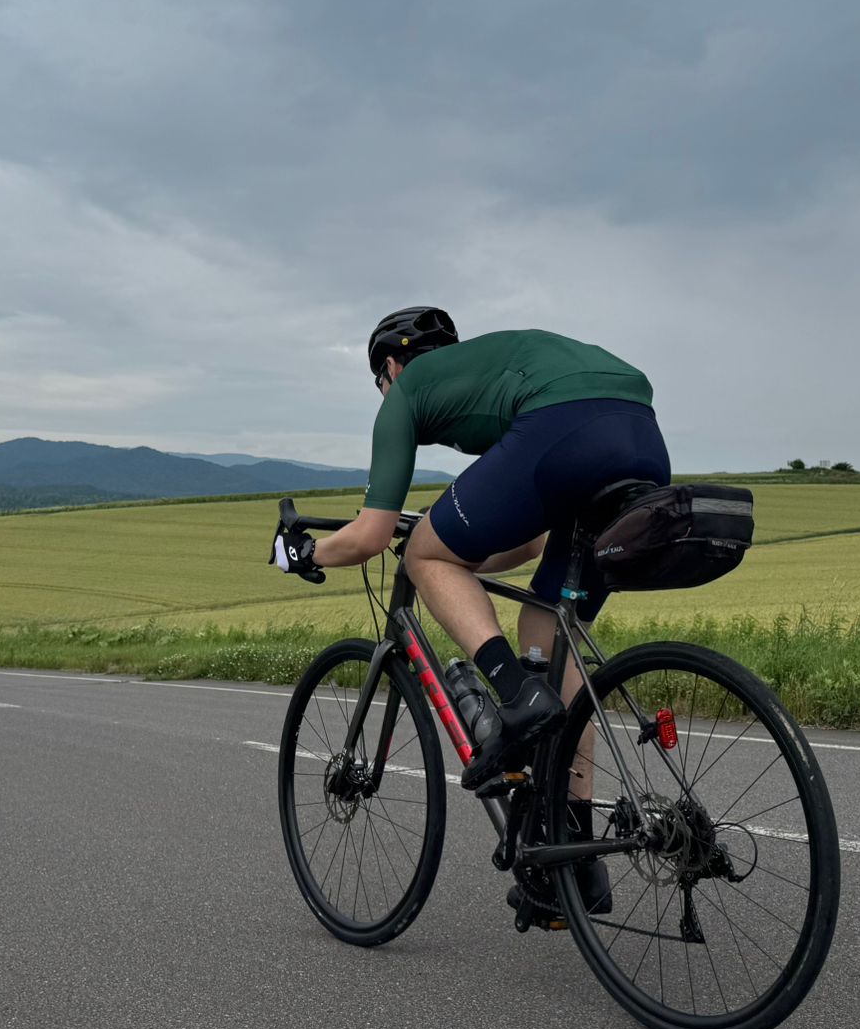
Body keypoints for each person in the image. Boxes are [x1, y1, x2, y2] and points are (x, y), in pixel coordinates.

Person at [270, 308, 670, 908]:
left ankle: (514, 694)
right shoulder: (489, 369)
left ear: (391, 364)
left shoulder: (405, 392)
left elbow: (373, 535)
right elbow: (533, 537)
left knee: (421, 557)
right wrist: (461, 562)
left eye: (380, 377)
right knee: (546, 627)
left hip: (564, 425)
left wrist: (307, 552)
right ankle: (575, 860)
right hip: (640, 434)